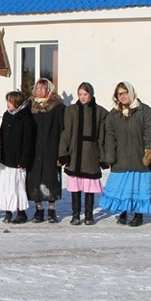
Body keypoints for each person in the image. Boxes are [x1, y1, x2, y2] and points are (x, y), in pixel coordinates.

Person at [100, 82, 151, 227]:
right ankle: (123, 212)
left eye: (125, 93)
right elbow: (109, 136)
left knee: (138, 187)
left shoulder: (145, 111)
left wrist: (150, 150)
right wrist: (110, 156)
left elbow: (150, 132)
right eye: (120, 94)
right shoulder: (113, 114)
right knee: (123, 187)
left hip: (140, 157)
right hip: (121, 158)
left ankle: (138, 215)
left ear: (131, 93)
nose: (123, 96)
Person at [58, 82, 107, 226]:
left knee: (89, 187)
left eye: (85, 94)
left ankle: (89, 215)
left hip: (91, 154)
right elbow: (66, 133)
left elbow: (103, 136)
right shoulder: (72, 110)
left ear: (91, 95)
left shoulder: (100, 112)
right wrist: (64, 153)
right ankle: (75, 214)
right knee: (76, 186)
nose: (83, 97)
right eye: (80, 94)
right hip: (75, 153)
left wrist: (103, 156)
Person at [0, 91, 36, 224]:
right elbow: (1, 135)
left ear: (17, 103)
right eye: (7, 101)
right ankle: (7, 211)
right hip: (5, 158)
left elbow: (28, 142)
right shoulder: (7, 115)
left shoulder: (26, 118)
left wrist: (24, 160)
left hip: (17, 160)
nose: (7, 104)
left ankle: (21, 212)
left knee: (17, 186)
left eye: (10, 101)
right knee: (4, 185)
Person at [26, 78, 66, 223]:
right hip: (34, 150)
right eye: (37, 88)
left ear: (49, 90)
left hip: (51, 148)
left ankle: (52, 210)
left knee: (51, 179)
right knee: (35, 180)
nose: (39, 91)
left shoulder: (58, 108)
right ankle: (38, 209)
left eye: (42, 88)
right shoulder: (30, 106)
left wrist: (62, 151)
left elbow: (63, 130)